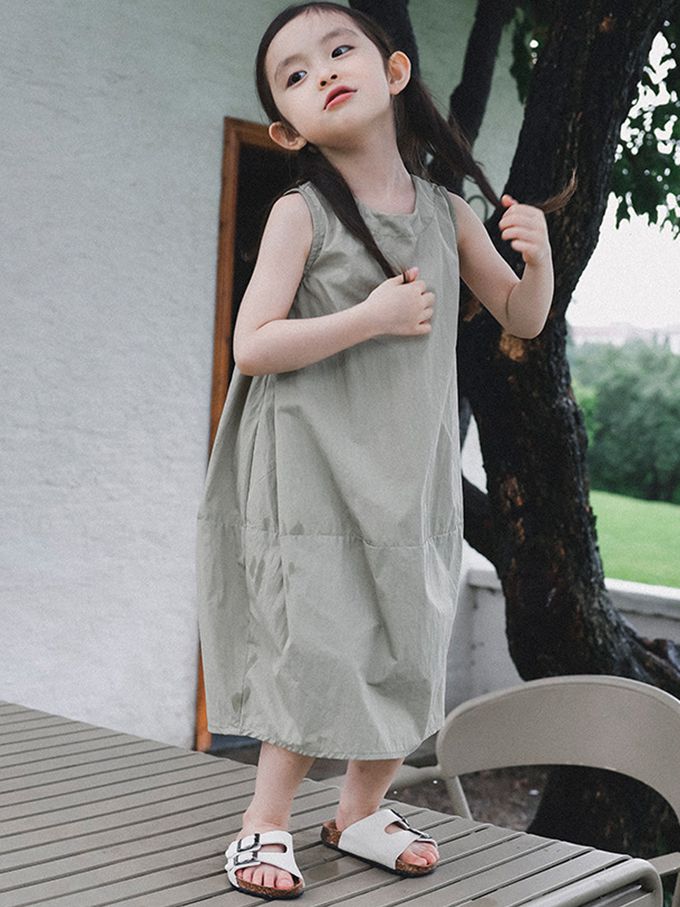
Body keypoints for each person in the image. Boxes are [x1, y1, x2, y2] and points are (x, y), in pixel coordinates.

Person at [196, 2, 572, 898]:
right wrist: (369, 317)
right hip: (312, 465)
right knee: (316, 641)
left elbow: (522, 318)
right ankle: (263, 820)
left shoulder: (446, 214)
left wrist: (541, 260)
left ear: (394, 72)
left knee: (409, 637)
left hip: (409, 467)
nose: (323, 69)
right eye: (295, 74)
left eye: (339, 50)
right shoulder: (301, 214)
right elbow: (252, 344)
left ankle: (360, 810)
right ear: (288, 130)